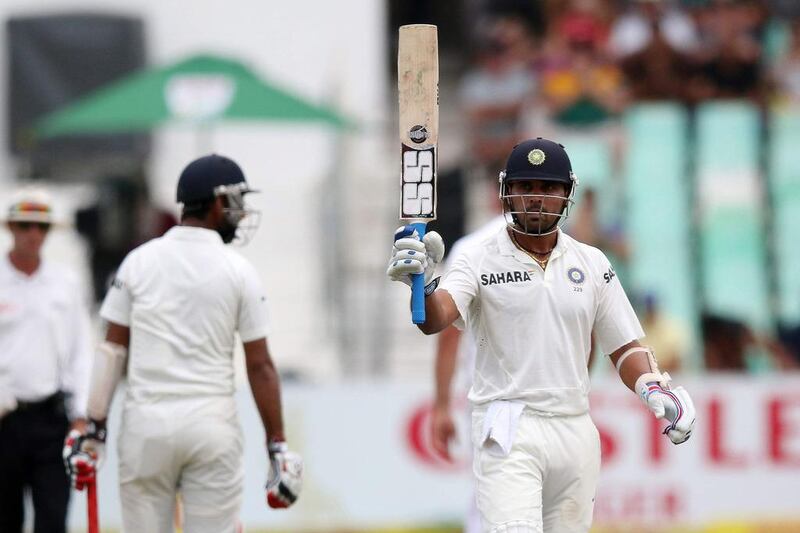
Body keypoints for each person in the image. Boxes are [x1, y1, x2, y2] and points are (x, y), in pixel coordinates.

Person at [388, 138, 695, 533]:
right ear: (507, 191)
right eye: (525, 187)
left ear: (566, 194)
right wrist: (421, 285)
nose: (536, 198)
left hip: (574, 426)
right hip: (507, 424)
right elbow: (437, 318)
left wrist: (653, 388)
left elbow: (624, 346)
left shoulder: (591, 261)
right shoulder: (477, 256)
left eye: (548, 188)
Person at [62, 154, 302, 532]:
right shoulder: (238, 270)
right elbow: (260, 366)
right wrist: (277, 445)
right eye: (237, 201)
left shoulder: (137, 262)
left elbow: (112, 350)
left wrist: (94, 429)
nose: (240, 212)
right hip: (210, 428)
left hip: (146, 429)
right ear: (219, 202)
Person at [0, 187, 92, 533]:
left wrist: (81, 416)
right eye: (25, 225)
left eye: (41, 227)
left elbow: (80, 352)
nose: (33, 234)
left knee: (53, 521)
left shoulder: (65, 282)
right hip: (4, 421)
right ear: (11, 227)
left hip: (51, 421)